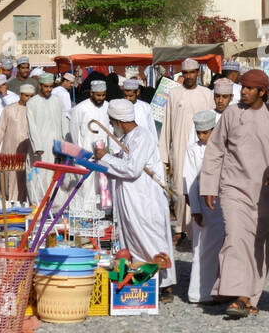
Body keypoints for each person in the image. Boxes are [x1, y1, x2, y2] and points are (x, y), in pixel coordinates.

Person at [199, 69, 269, 318]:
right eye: (243, 87)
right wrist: (208, 186)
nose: (243, 91)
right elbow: (215, 150)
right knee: (236, 238)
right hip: (233, 187)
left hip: (265, 192)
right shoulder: (231, 114)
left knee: (259, 244)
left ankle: (252, 296)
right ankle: (239, 296)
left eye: (249, 88)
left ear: (262, 92)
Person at [94, 99, 175, 301]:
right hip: (132, 200)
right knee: (134, 240)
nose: (112, 126)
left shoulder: (143, 137)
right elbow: (121, 166)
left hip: (145, 200)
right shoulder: (130, 137)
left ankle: (163, 285)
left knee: (151, 238)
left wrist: (105, 157)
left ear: (120, 121)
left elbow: (132, 169)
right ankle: (143, 280)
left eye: (112, 122)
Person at [160, 58, 215, 243]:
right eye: (186, 73)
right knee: (178, 186)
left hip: (202, 148)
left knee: (199, 185)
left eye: (192, 72)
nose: (189, 76)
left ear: (198, 73)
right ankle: (179, 228)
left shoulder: (207, 94)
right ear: (181, 74)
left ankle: (197, 226)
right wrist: (164, 156)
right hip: (179, 148)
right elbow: (167, 123)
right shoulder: (174, 93)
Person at [184, 109, 224, 304]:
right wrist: (196, 210)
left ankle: (219, 289)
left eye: (205, 133)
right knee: (201, 250)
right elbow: (190, 181)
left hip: (221, 205)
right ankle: (199, 292)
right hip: (202, 207)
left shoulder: (223, 148)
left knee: (220, 249)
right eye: (198, 133)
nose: (201, 136)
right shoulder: (193, 150)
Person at [68, 79, 110, 216]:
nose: (101, 98)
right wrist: (81, 153)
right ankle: (84, 214)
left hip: (103, 153)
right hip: (85, 154)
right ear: (91, 93)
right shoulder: (80, 108)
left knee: (101, 184)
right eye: (98, 95)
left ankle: (102, 213)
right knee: (85, 185)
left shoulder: (108, 107)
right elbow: (74, 132)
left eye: (103, 95)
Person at [26, 73, 66, 205]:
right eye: (46, 87)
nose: (49, 89)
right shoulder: (32, 102)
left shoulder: (57, 101)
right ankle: (37, 205)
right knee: (39, 177)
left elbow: (63, 122)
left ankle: (54, 207)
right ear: (40, 86)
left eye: (51, 87)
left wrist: (65, 145)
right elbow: (31, 126)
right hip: (40, 148)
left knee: (55, 176)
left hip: (56, 146)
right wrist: (37, 147)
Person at [0, 84, 33, 203]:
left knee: (23, 175)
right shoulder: (9, 109)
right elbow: (0, 129)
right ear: (20, 95)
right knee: (8, 176)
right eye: (26, 96)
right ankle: (8, 201)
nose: (29, 99)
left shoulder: (34, 111)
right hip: (9, 148)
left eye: (31, 96)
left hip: (27, 149)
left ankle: (20, 202)